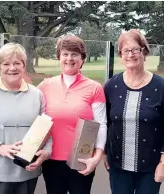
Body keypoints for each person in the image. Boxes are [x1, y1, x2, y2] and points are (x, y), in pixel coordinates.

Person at [103, 29, 164, 194]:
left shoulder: (161, 86)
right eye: (126, 50)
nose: (131, 54)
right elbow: (105, 122)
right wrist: (103, 153)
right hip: (118, 166)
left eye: (135, 49)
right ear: (120, 55)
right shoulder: (111, 86)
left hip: (150, 167)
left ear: (144, 52)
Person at [0, 43, 52, 194]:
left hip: (27, 173)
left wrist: (46, 152)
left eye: (17, 63)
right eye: (6, 64)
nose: (12, 68)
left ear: (24, 65)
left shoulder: (37, 95)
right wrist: (0, 148)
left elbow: (46, 132)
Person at [37, 35, 107, 194]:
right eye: (65, 54)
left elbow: (101, 124)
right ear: (59, 57)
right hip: (51, 160)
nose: (69, 58)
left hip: (82, 160)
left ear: (82, 59)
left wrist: (96, 158)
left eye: (75, 54)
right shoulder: (44, 86)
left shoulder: (94, 88)